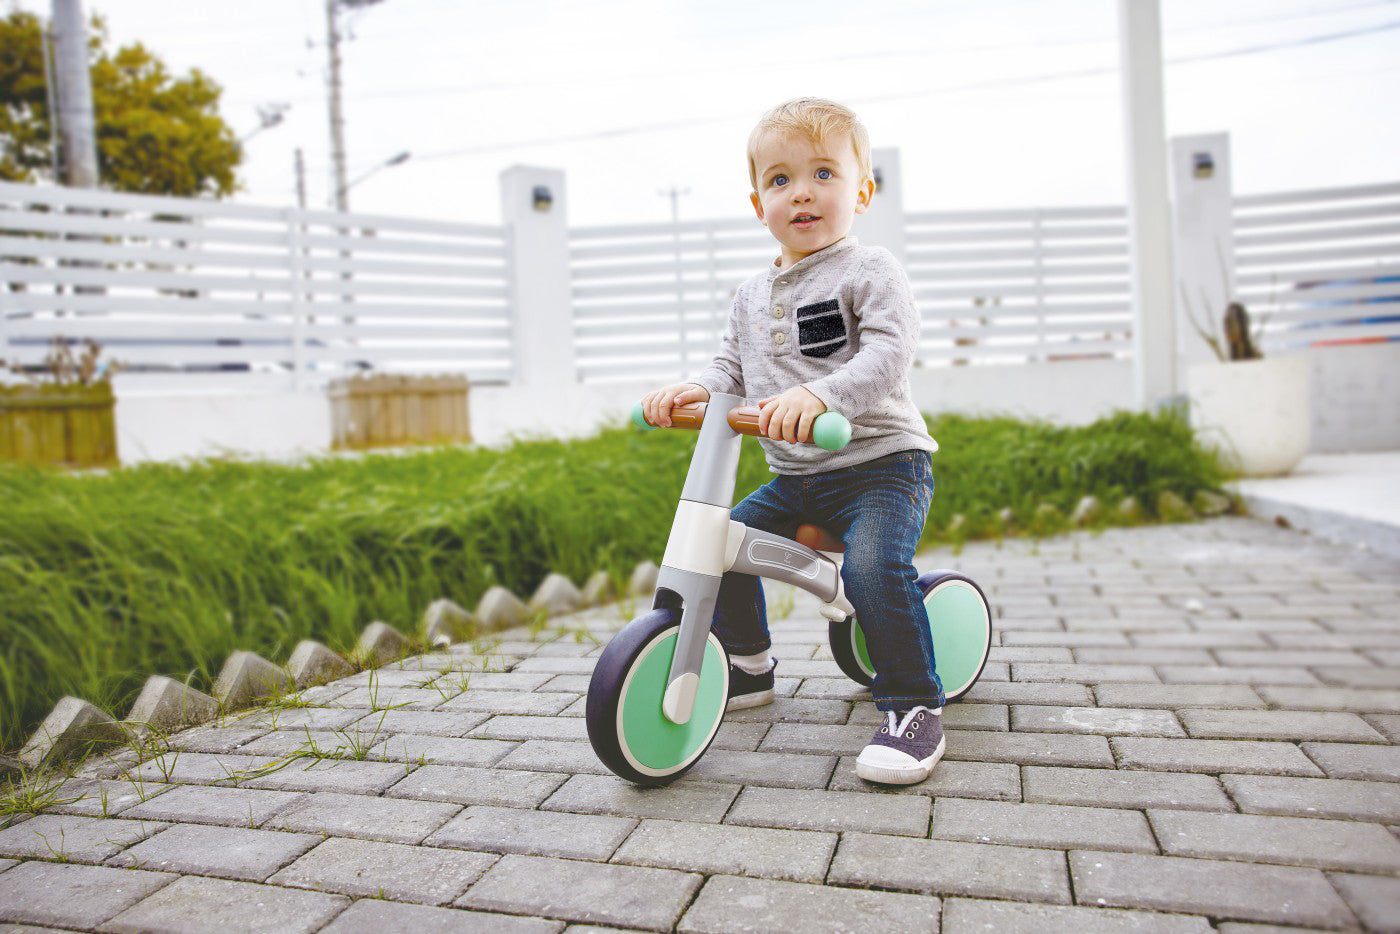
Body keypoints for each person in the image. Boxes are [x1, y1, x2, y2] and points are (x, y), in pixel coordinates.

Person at [640, 97, 944, 785]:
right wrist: (694, 390)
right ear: (759, 205)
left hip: (880, 467)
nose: (801, 191)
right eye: (780, 180)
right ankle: (747, 664)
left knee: (871, 569)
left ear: (861, 192)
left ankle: (913, 705)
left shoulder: (871, 271)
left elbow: (888, 355)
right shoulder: (749, 294)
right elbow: (729, 367)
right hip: (797, 474)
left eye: (823, 174)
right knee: (722, 540)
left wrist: (819, 395)